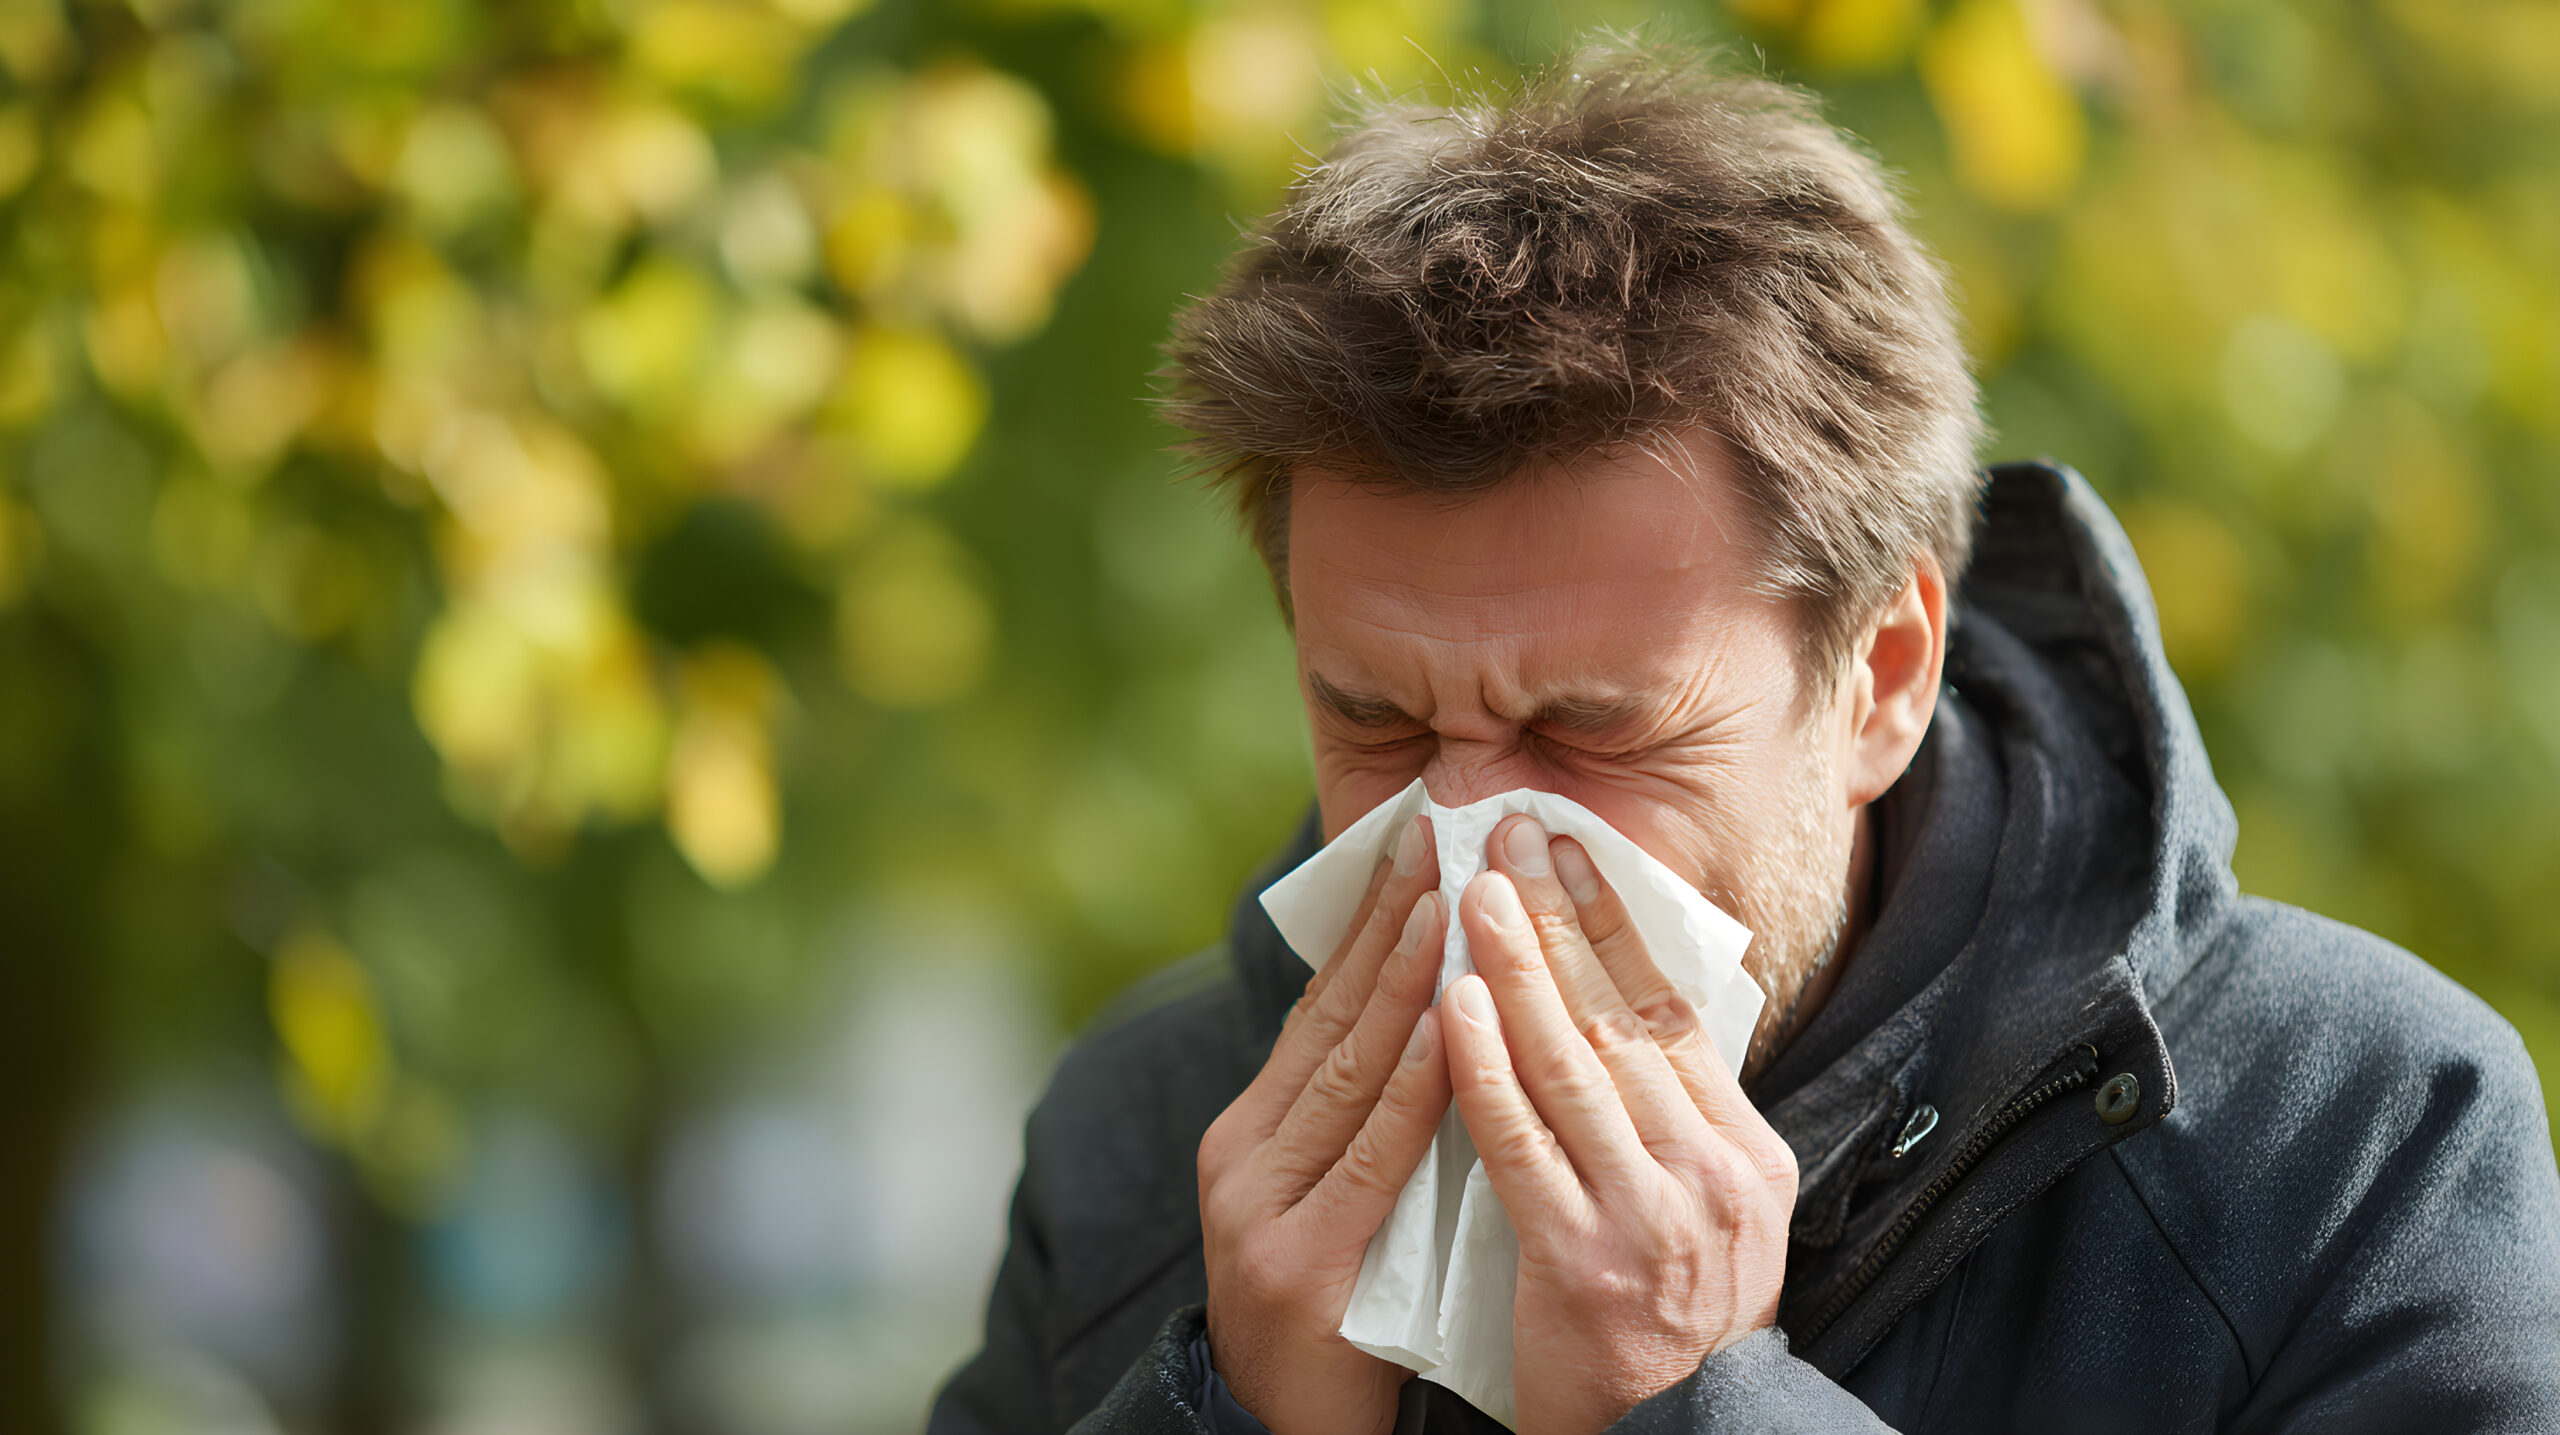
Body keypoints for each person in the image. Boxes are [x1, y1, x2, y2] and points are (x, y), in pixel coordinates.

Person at [928, 43, 2560, 1435]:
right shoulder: (1142, 1142)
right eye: (1377, 718)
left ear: (1884, 675)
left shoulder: (2356, 1148)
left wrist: (1697, 1397)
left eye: (1589, 729)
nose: (1474, 840)